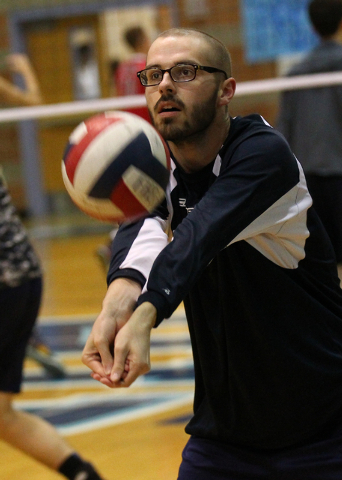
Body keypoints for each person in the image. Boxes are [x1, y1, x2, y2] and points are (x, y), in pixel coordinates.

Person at [82, 28, 342, 479]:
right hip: (224, 442)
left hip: (324, 433)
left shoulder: (263, 156)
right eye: (154, 74)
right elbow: (142, 228)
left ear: (226, 91)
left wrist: (145, 316)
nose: (164, 85)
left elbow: (199, 235)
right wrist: (113, 307)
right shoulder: (158, 167)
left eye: (184, 72)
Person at [0, 53, 105, 480]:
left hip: (6, 280)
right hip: (25, 276)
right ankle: (83, 474)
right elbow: (34, 102)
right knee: (2, 414)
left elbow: (35, 106)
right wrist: (24, 70)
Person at [277, 0, 342, 264]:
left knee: (322, 263)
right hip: (336, 179)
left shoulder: (295, 75)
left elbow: (283, 131)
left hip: (307, 186)